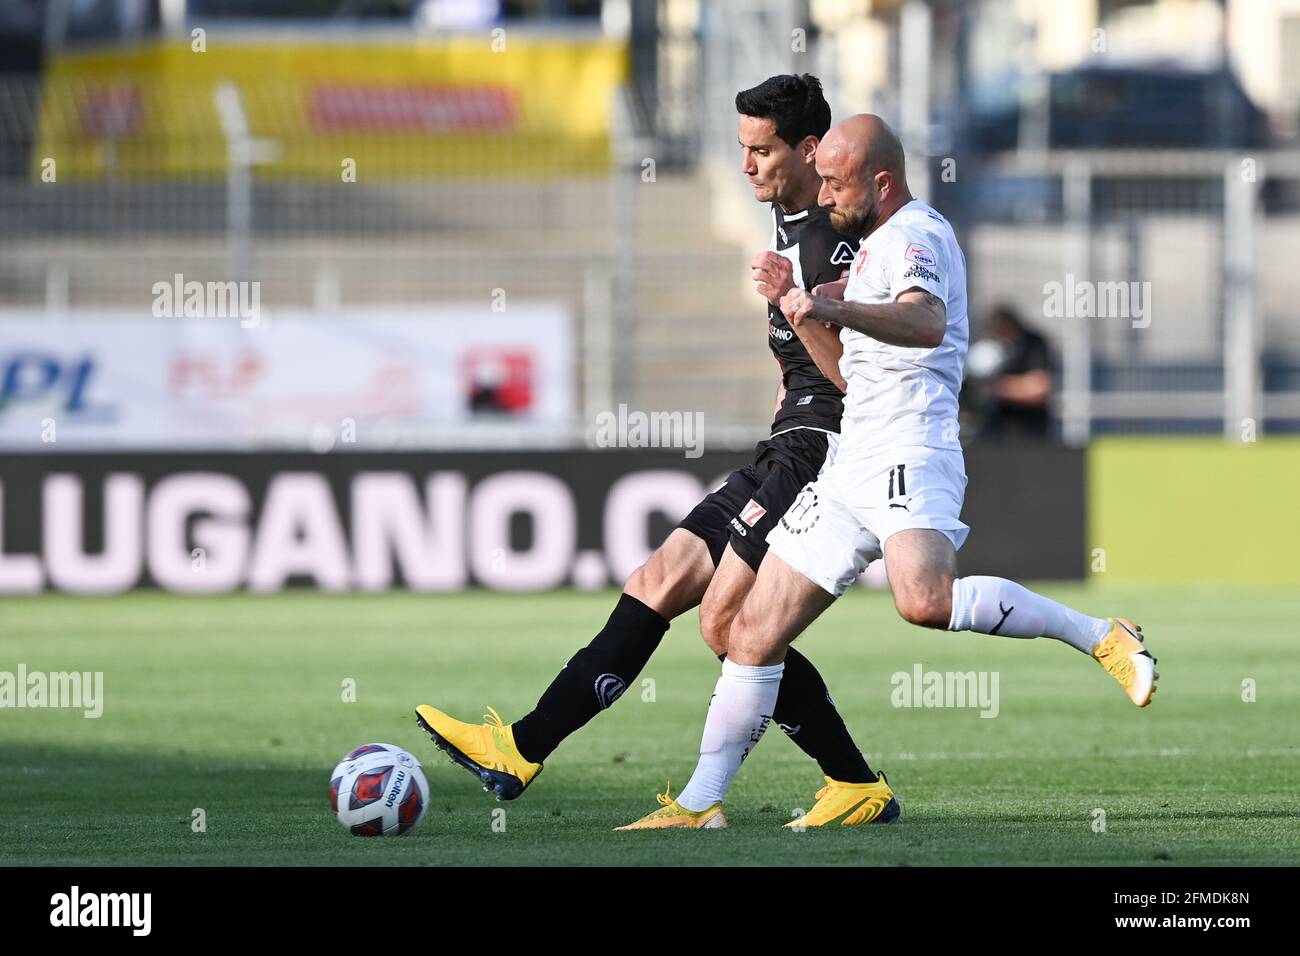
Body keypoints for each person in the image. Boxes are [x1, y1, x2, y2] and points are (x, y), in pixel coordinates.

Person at [617, 114, 1158, 832]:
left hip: (910, 446)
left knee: (924, 601)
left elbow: (925, 321)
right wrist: (797, 303)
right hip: (851, 460)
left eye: (837, 183)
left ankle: (1099, 634)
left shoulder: (916, 237)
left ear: (881, 180)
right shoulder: (873, 248)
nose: (826, 196)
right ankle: (698, 805)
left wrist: (834, 302)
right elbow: (847, 374)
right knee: (750, 632)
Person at [415, 75, 890, 825]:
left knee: (730, 628)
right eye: (741, 149)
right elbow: (800, 362)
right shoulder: (792, 224)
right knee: (659, 576)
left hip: (819, 452)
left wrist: (794, 309)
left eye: (761, 151)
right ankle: (520, 748)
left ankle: (845, 783)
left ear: (807, 149)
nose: (747, 166)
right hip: (785, 442)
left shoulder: (830, 239)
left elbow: (853, 376)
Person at [965, 304, 1054, 440]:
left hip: (1029, 433)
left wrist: (996, 387)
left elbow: (1040, 388)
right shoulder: (988, 345)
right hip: (994, 432)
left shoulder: (1032, 345)